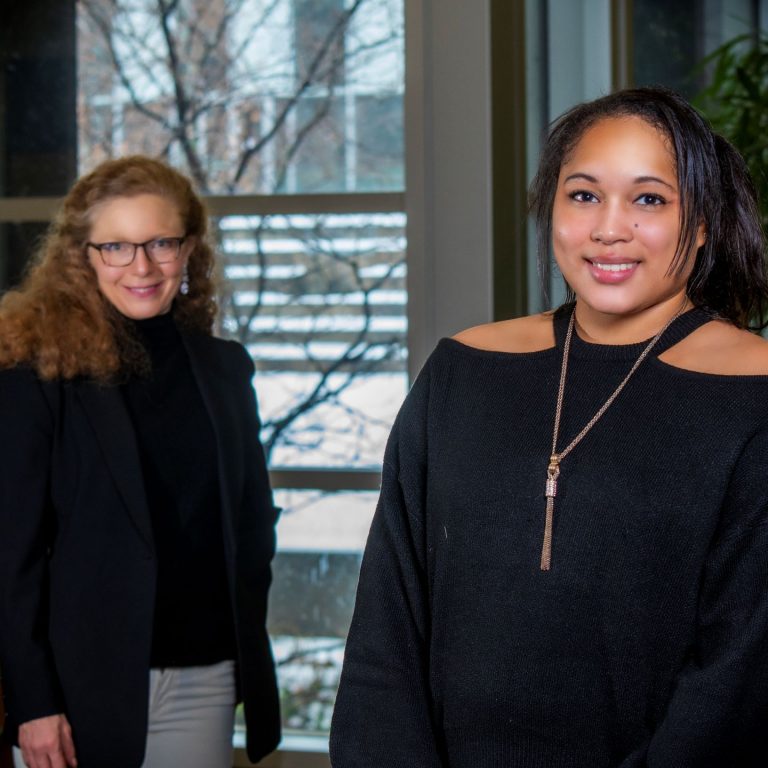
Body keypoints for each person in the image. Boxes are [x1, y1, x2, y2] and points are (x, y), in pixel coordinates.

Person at [329, 86, 768, 766]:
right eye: (583, 195)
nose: (608, 229)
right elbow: (389, 621)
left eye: (649, 199)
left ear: (704, 220)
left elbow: (738, 677)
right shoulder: (462, 371)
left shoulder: (754, 395)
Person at [0, 156, 281, 768]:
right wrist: (32, 701)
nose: (142, 267)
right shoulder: (38, 372)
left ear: (189, 249)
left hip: (204, 679)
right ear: (84, 256)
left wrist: (241, 645)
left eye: (160, 243)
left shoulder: (224, 368)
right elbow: (10, 554)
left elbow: (252, 521)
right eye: (117, 248)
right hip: (75, 694)